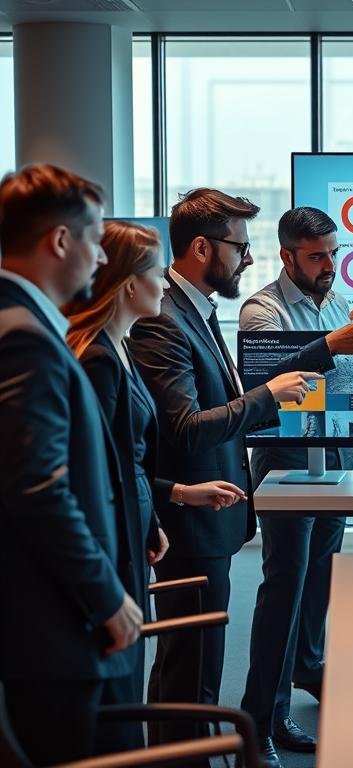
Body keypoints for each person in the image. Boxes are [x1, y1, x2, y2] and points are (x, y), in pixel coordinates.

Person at [127, 189, 317, 763]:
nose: (250, 259)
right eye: (241, 246)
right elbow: (183, 429)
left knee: (195, 670)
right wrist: (268, 397)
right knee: (191, 675)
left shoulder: (198, 311)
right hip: (189, 521)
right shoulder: (163, 320)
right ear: (203, 247)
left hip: (211, 516)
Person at [63, 220, 248, 750]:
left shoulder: (116, 349)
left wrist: (173, 496)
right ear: (128, 283)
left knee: (177, 672)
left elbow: (126, 461)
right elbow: (96, 472)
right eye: (153, 272)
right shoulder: (101, 356)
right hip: (116, 550)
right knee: (166, 680)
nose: (163, 285)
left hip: (147, 530)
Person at [239, 206, 353, 767]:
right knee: (284, 585)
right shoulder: (262, 308)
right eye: (317, 256)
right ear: (287, 256)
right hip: (288, 460)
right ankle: (260, 719)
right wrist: (333, 347)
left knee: (320, 578)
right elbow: (268, 379)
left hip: (334, 454)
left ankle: (308, 668)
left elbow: (335, 382)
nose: (330, 264)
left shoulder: (333, 302)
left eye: (334, 252)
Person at [0, 164, 142, 765]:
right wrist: (107, 595)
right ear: (60, 241)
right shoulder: (24, 337)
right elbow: (38, 488)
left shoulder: (24, 325)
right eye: (93, 239)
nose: (101, 258)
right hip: (50, 628)